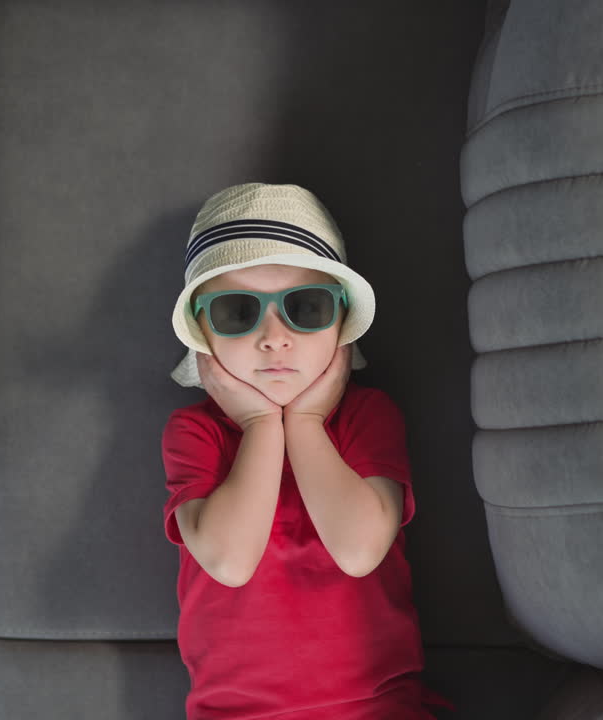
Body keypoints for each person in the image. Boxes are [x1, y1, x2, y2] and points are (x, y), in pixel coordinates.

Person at [162, 183, 456, 719]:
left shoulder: (367, 417)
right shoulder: (196, 433)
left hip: (377, 709)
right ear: (202, 336)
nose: (275, 337)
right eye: (237, 312)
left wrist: (305, 420)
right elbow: (229, 561)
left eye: (306, 307)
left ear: (340, 327)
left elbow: (359, 551)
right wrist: (258, 424)